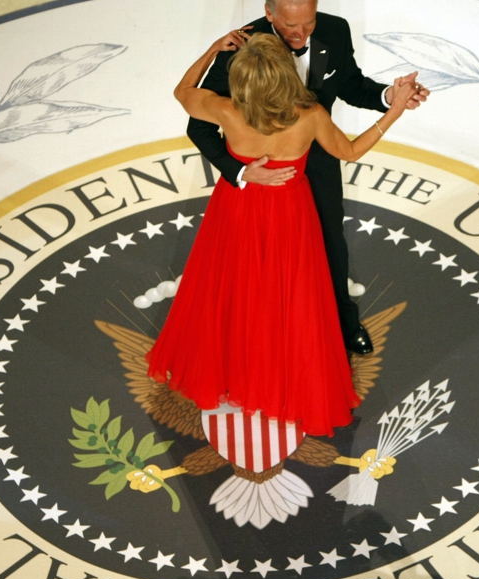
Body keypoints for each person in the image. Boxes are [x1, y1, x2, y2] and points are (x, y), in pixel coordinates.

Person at [147, 31, 415, 437]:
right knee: (290, 296)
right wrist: (393, 110)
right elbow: (351, 151)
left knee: (232, 289)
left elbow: (182, 91)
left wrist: (212, 50)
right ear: (286, 74)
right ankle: (280, 378)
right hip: (290, 213)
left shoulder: (227, 110)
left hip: (236, 208)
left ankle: (232, 373)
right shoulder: (310, 117)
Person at [188, 0, 428, 356]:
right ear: (268, 13)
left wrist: (389, 96)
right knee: (254, 262)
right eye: (289, 25)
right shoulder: (240, 48)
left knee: (330, 244)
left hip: (316, 159)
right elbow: (198, 127)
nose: (300, 34)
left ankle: (342, 326)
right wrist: (240, 172)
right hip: (259, 176)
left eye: (308, 23)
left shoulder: (335, 30)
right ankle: (257, 341)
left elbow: (350, 85)